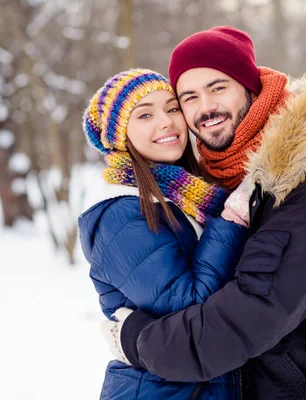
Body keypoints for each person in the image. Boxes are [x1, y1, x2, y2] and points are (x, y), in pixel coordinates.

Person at [102, 26, 306, 400]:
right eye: (188, 97)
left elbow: (255, 309)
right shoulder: (225, 183)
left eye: (218, 88)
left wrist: (140, 342)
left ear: (250, 88)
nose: (205, 108)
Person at [79, 68, 251, 399]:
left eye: (172, 108)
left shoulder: (185, 195)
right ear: (120, 136)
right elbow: (189, 308)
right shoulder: (121, 211)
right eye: (145, 115)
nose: (167, 122)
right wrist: (232, 219)